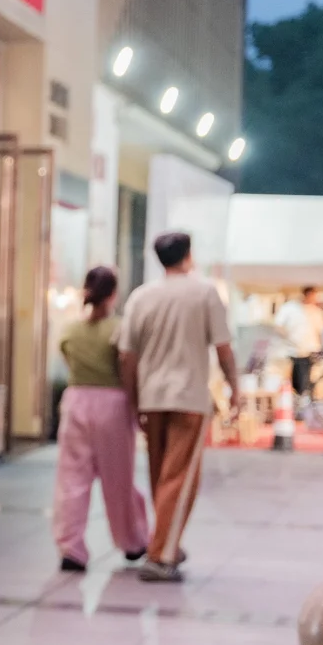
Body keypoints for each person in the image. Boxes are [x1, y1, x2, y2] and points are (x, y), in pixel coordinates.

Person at [118, 232, 239, 584]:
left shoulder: (142, 296)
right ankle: (161, 555)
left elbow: (127, 355)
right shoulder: (204, 293)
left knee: (161, 476)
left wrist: (133, 397)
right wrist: (235, 387)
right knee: (180, 478)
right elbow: (224, 348)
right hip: (189, 398)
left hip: (152, 397)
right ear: (189, 255)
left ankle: (165, 542)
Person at [53, 267, 150, 573]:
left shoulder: (69, 331)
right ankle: (132, 542)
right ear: (113, 294)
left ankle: (71, 548)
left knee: (72, 479)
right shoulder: (119, 330)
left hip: (76, 401)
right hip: (112, 405)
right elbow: (127, 369)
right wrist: (135, 406)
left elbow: (69, 362)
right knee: (118, 479)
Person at [276, 286, 323, 399]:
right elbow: (278, 326)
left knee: (311, 380)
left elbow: (320, 332)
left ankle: (308, 399)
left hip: (312, 350)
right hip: (295, 350)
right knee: (298, 379)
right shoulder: (290, 308)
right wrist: (289, 337)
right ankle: (299, 399)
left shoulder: (317, 312)